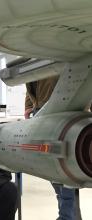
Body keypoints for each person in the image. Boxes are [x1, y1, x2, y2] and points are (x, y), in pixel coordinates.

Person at [25, 76, 82, 220]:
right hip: (40, 110)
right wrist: (28, 106)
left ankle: (66, 216)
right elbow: (31, 85)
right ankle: (68, 215)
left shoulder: (58, 55)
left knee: (62, 167)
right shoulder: (35, 58)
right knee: (51, 168)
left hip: (61, 110)